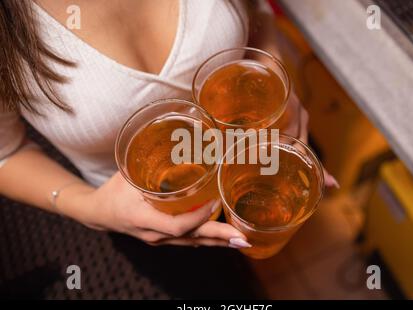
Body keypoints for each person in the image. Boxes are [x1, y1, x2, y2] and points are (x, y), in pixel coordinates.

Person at [0, 0, 338, 249]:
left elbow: (255, 9)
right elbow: (6, 152)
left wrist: (270, 72)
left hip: (265, 164)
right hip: (145, 222)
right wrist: (89, 207)